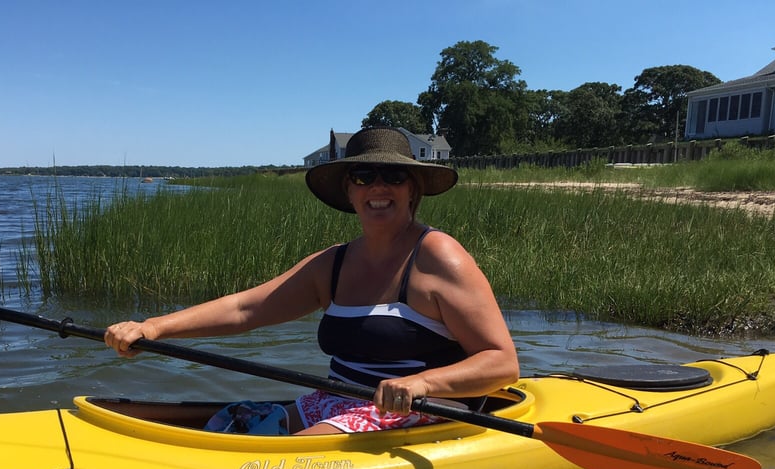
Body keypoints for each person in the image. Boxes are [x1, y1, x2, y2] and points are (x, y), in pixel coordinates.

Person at [104, 127, 519, 435]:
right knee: (231, 426)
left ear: (413, 190)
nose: (378, 186)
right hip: (336, 399)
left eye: (393, 177)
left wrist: (420, 382)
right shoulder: (333, 264)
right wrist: (153, 327)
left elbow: (502, 362)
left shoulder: (439, 255)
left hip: (428, 408)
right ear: (349, 191)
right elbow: (244, 309)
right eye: (363, 176)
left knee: (284, 454)